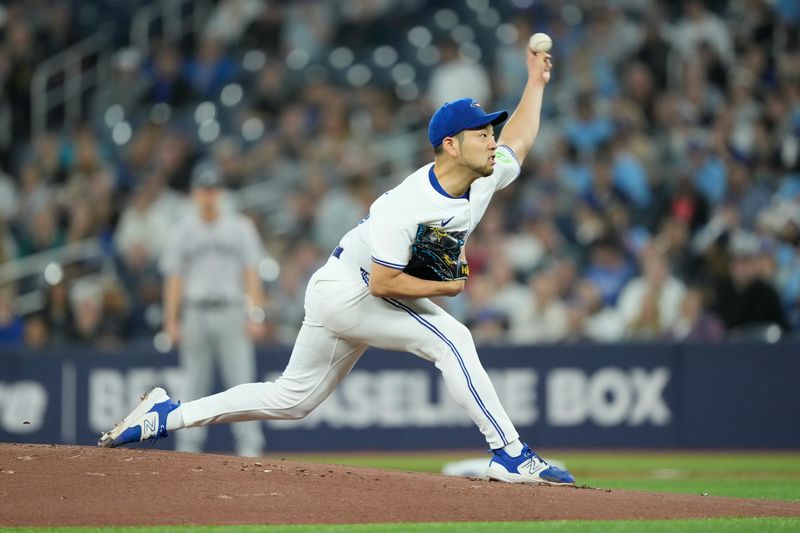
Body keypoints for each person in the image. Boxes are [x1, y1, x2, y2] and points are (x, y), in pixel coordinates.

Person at [99, 48, 575, 485]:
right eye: (482, 134)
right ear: (451, 145)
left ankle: (168, 414)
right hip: (355, 287)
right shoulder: (405, 206)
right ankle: (510, 453)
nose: (493, 142)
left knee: (292, 400)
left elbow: (522, 141)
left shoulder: (482, 177)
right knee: (454, 340)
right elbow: (386, 282)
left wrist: (535, 82)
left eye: (491, 133)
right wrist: (446, 290)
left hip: (348, 286)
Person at [158, 164, 267, 457]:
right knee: (194, 384)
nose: (208, 195)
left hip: (232, 310)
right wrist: (171, 319)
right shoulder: (182, 230)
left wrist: (256, 313)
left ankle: (249, 447)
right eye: (203, 189)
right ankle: (188, 447)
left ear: (221, 192)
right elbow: (174, 278)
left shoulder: (240, 227)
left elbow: (251, 273)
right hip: (195, 312)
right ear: (194, 192)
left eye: (213, 189)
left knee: (242, 383)